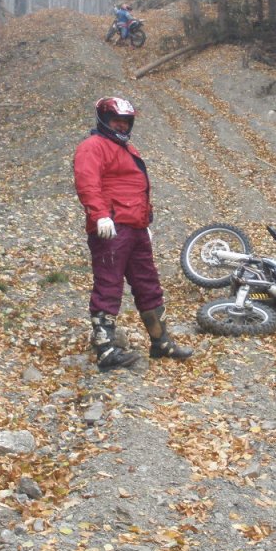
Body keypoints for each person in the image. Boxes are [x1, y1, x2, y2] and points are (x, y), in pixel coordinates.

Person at [74, 96, 194, 370]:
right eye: (116, 120)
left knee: (148, 284)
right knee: (109, 286)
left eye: (126, 121)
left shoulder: (127, 148)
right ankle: (105, 350)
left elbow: (136, 188)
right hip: (111, 228)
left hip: (135, 227)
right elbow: (87, 183)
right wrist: (100, 214)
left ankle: (160, 342)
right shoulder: (92, 147)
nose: (121, 125)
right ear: (104, 120)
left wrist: (144, 223)